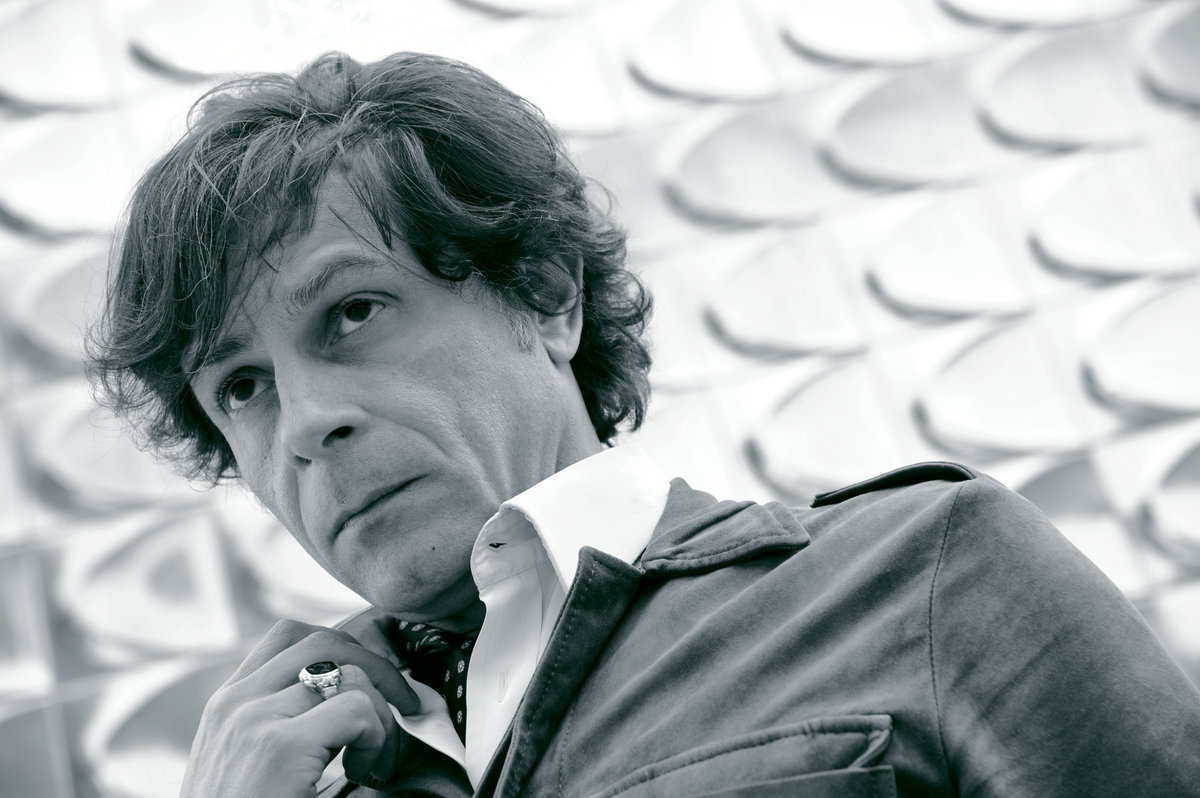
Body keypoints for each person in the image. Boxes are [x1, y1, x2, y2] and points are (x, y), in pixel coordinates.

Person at [87, 51, 1200, 797]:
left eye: (353, 313)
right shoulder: (293, 769)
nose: (305, 424)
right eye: (241, 386)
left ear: (545, 295)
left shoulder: (926, 575)